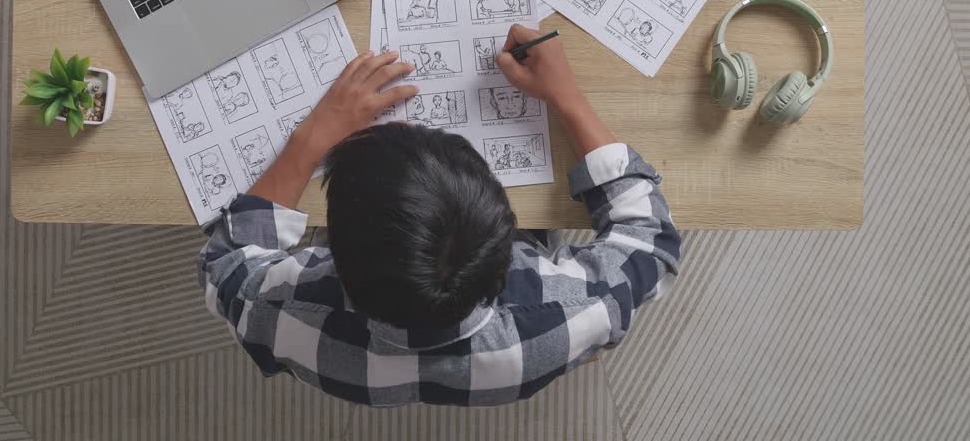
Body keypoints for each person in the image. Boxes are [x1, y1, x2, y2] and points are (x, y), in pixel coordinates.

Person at [198, 34, 682, 406]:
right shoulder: (572, 316)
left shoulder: (277, 317)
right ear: (505, 243)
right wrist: (568, 99)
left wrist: (310, 141)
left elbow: (225, 265)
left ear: (328, 250)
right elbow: (651, 242)